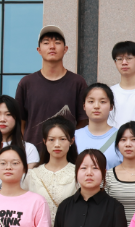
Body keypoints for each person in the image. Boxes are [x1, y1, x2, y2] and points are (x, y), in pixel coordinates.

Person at [15, 25, 88, 158]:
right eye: (46, 43)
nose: (52, 46)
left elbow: (83, 121)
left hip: (66, 156)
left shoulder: (78, 82)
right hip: (33, 156)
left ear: (65, 49)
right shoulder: (26, 83)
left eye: (57, 42)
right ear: (39, 50)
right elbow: (20, 121)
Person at [24, 117, 78, 227]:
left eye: (62, 139)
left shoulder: (79, 173)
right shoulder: (32, 175)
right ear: (44, 141)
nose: (57, 144)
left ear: (71, 141)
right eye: (51, 139)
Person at [107, 122, 135, 224]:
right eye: (123, 140)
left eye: (134, 139)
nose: (128, 144)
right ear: (118, 144)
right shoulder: (108, 176)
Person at [74, 83, 122, 170]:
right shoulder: (74, 137)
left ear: (111, 106)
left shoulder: (121, 137)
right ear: (84, 106)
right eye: (91, 101)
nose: (96, 106)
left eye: (102, 102)